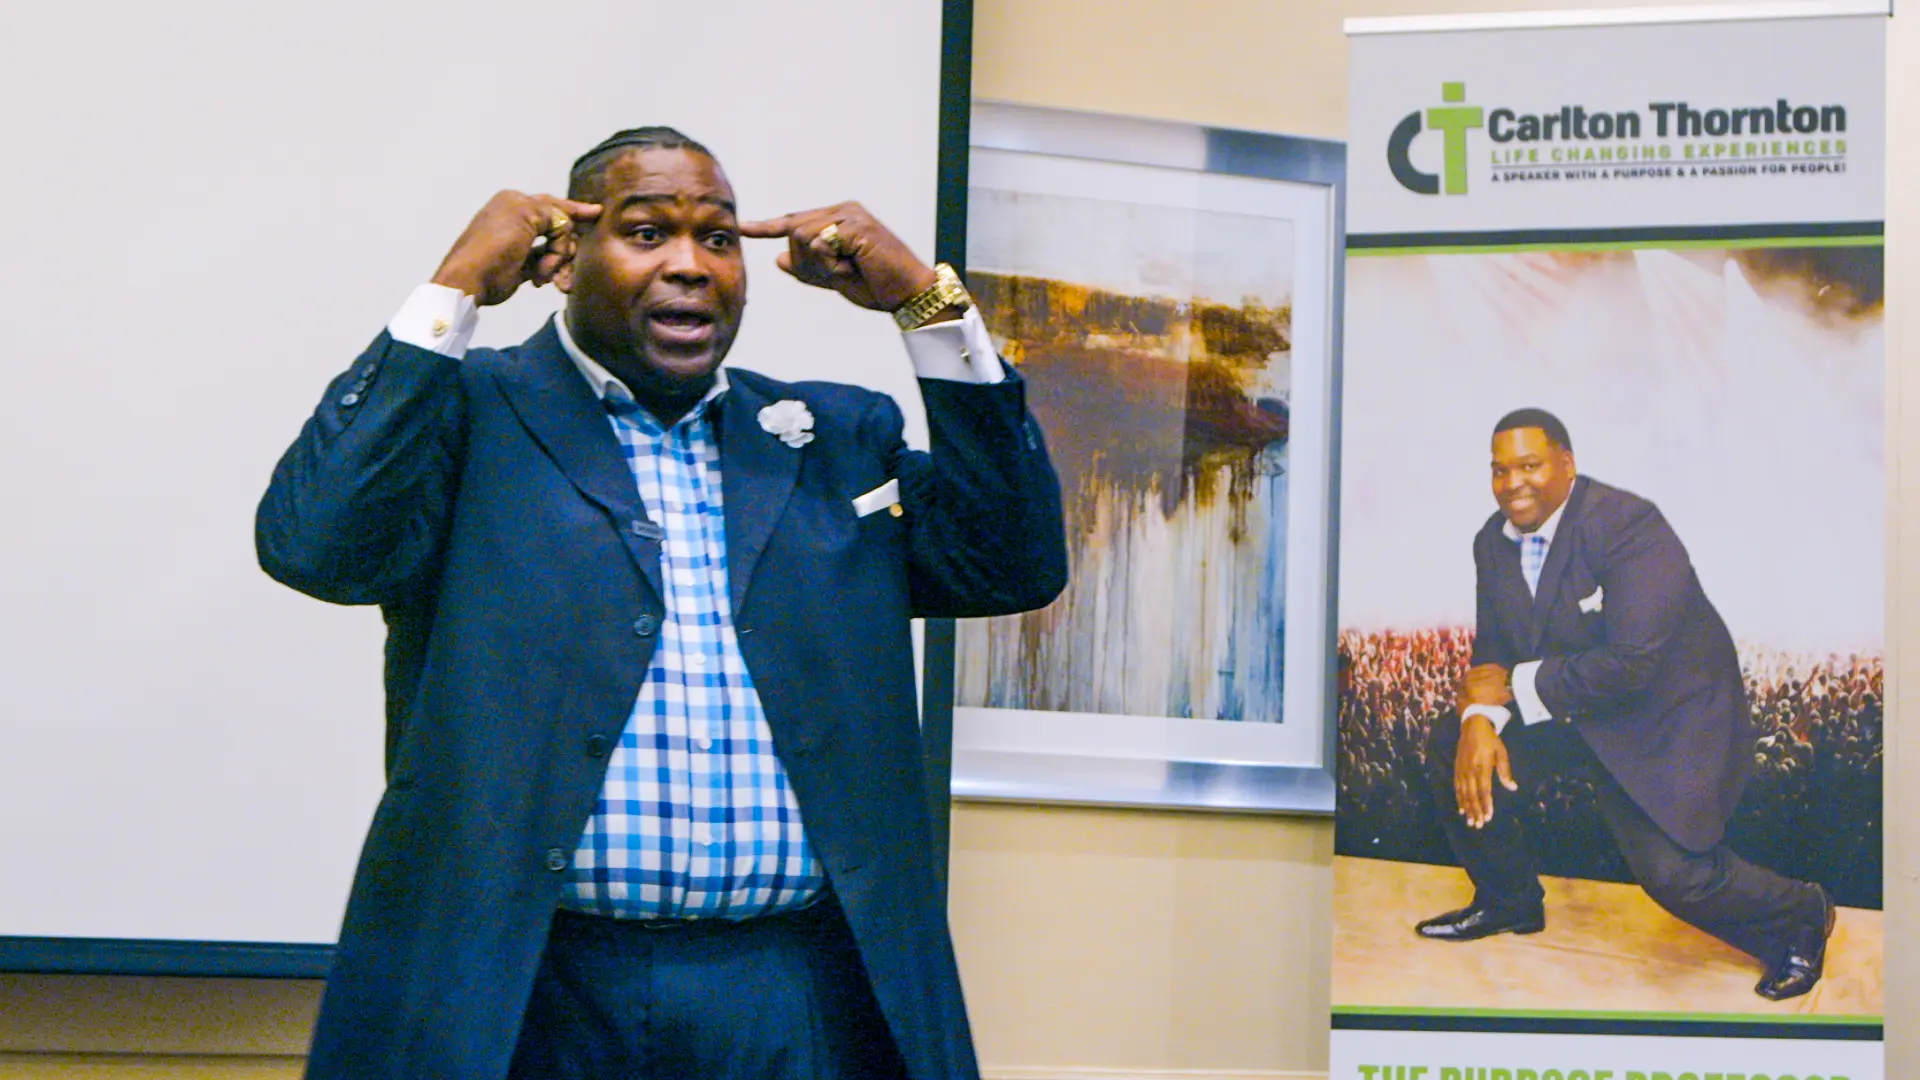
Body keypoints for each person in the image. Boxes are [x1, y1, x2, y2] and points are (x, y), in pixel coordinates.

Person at [256, 126, 1068, 1080]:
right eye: (646, 234)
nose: (690, 266)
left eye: (719, 238)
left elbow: (1012, 562)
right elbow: (315, 544)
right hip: (527, 991)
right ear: (563, 261)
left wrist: (925, 306)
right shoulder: (471, 412)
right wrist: (457, 286)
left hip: (795, 995)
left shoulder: (837, 437)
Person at [1415, 408, 1834, 1002]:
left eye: (1529, 465)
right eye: (1499, 470)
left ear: (1567, 464)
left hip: (1664, 717)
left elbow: (1635, 665)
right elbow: (1496, 648)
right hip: (1576, 706)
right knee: (1450, 743)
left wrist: (1508, 689)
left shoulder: (1630, 525)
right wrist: (1479, 720)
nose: (1513, 483)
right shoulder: (1492, 540)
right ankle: (1507, 901)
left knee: (1677, 880)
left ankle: (1802, 912)